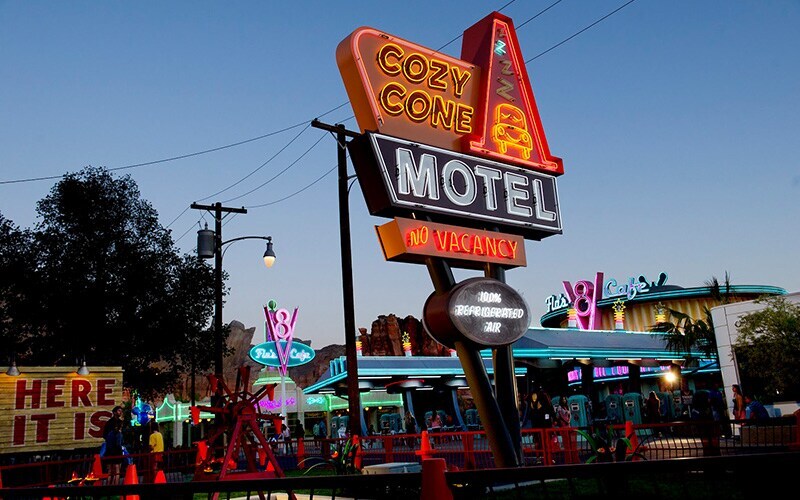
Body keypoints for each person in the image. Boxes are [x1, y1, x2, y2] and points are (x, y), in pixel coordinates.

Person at [102, 406, 125, 483]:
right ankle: (115, 486)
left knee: (111, 470)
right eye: (119, 411)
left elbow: (104, 435)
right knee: (115, 469)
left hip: (111, 448)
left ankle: (110, 486)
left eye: (121, 411)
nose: (120, 412)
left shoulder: (110, 422)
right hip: (115, 448)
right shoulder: (114, 423)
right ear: (115, 412)